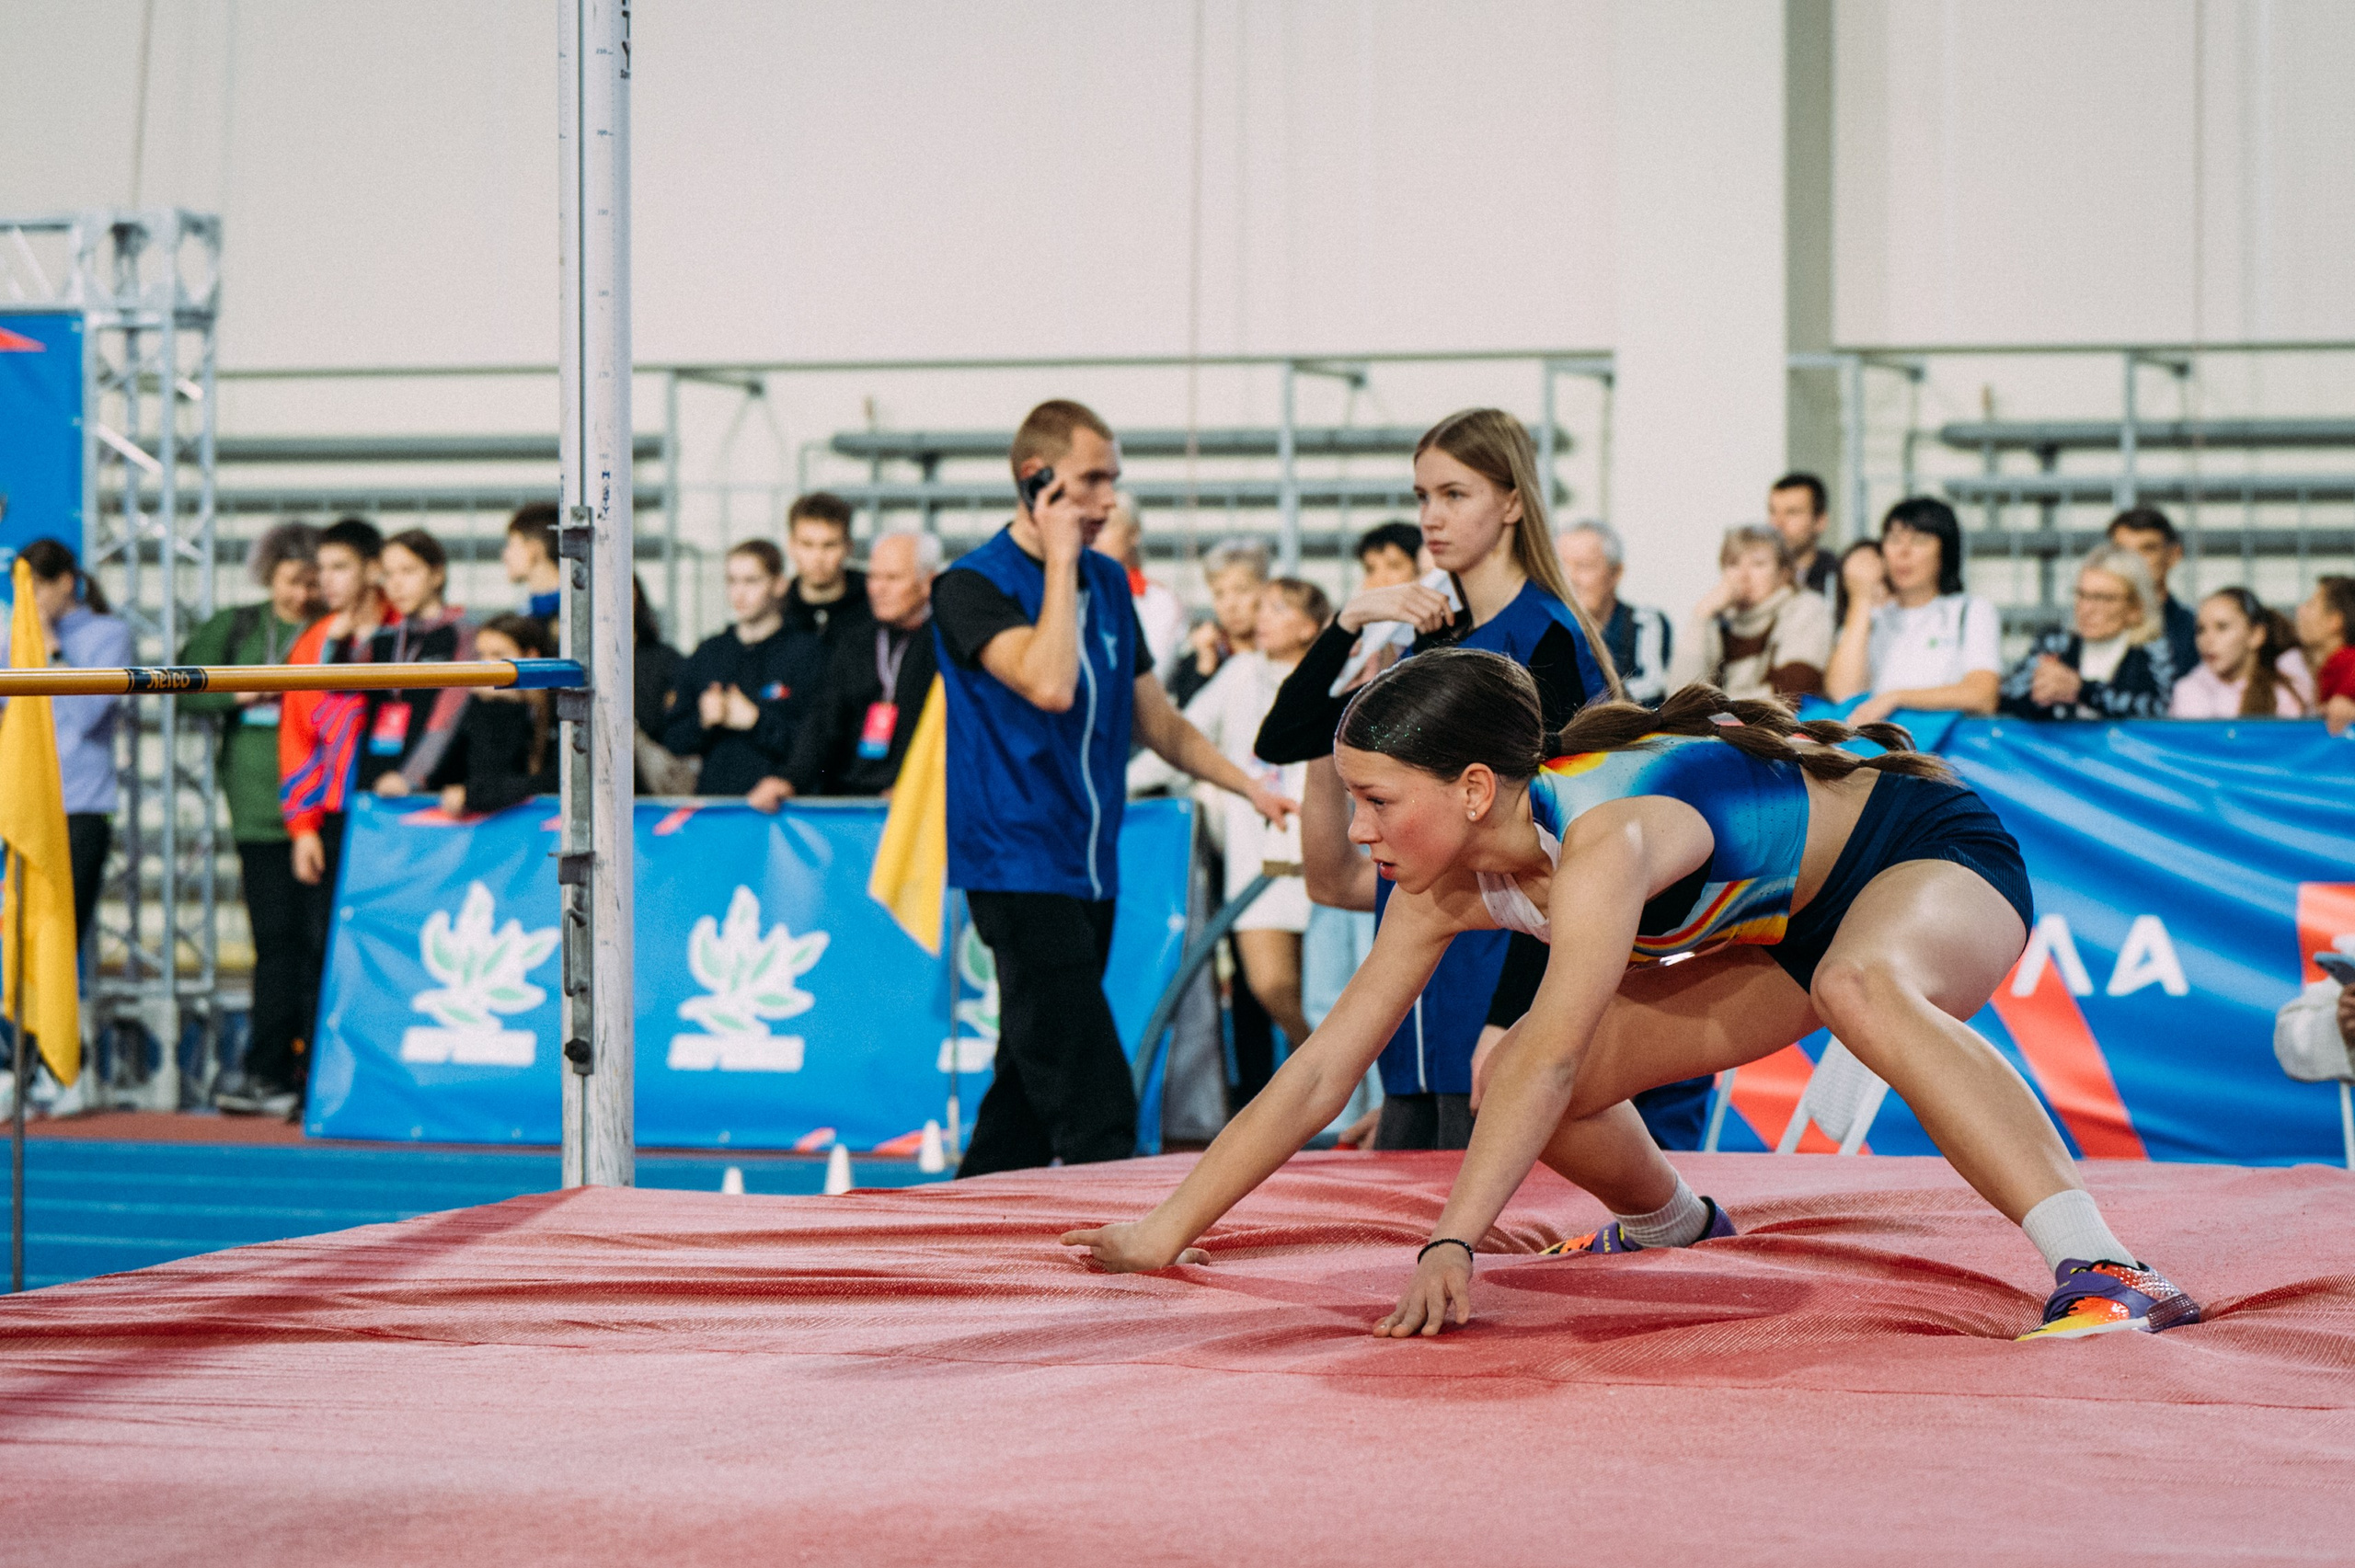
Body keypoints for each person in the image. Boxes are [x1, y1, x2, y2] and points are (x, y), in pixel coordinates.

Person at [1063, 649, 2204, 1345]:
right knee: (1499, 1070)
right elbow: (1320, 1069)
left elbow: (1561, 1046)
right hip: (1776, 926)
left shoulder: (1600, 837)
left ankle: (2109, 1267)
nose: (1357, 831)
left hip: (1919, 850)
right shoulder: (1441, 881)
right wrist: (1166, 1233)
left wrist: (1448, 1241)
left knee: (1860, 983)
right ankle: (1672, 1222)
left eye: (1372, 798)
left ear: (1472, 789)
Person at [1255, 409, 1718, 1156]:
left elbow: (1562, 846)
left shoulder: (1545, 637)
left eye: (1454, 494)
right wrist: (1347, 620)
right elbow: (1286, 737)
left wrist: (1512, 1023)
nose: (1431, 518)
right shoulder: (1430, 634)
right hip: (1416, 1028)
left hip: (1488, 1012)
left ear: (1511, 501)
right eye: (1421, 497)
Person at [931, 399, 1296, 1178]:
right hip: (1015, 864)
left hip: (1088, 862)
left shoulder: (1105, 581)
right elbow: (1050, 682)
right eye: (1090, 482)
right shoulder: (971, 585)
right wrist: (1060, 562)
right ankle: (1123, 1241)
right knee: (1092, 1095)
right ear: (1037, 483)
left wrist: (1248, 785)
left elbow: (1158, 723)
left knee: (1026, 1088)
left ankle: (973, 1213)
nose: (1107, 503)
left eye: (1113, 482)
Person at [1132, 578, 1333, 1098]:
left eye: (1278, 607)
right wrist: (1122, 786)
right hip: (1258, 863)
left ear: (1310, 626)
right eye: (1261, 607)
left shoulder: (1337, 679)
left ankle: (1337, 1096)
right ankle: (1330, 1081)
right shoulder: (1240, 674)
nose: (1262, 617)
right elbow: (1182, 735)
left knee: (1330, 994)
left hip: (1330, 863)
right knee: (1271, 986)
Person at [176, 522, 327, 1116]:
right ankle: (267, 1070)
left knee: (318, 943)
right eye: (292, 581)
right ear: (270, 576)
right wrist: (241, 693)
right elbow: (185, 688)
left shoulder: (329, 629)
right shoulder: (237, 625)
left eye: (312, 581)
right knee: (277, 944)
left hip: (319, 805)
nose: (302, 594)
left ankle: (311, 1066)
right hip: (260, 814)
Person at [13, 540, 132, 958]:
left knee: (59, 938)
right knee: (15, 937)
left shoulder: (108, 634)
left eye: (38, 588)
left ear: (66, 583)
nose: (31, 601)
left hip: (79, 805)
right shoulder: (13, 636)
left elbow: (85, 715)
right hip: (21, 806)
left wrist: (50, 647)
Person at [764, 528, 942, 803]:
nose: (878, 588)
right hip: (853, 800)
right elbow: (824, 722)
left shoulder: (950, 643)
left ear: (928, 582)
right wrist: (790, 779)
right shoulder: (855, 641)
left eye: (892, 578)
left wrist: (922, 789)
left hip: (920, 801)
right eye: (873, 576)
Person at [661, 541, 827, 797]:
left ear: (779, 584)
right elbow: (672, 740)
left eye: (751, 581)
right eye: (732, 581)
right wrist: (703, 721)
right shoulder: (710, 652)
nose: (739, 593)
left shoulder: (807, 652)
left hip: (783, 815)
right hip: (717, 810)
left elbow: (818, 743)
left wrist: (755, 720)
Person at [1825, 498, 2001, 725]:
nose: (1903, 552)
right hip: (1873, 752)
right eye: (1894, 539)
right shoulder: (1870, 617)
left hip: (1943, 751)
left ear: (1945, 551)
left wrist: (1896, 698)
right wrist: (1860, 599)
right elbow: (1842, 695)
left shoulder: (1970, 610)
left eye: (1920, 540)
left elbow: (1983, 695)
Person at [1997, 546, 2176, 722]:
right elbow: (2006, 699)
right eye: (2082, 594)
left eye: (2103, 598)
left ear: (2135, 608)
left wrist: (2082, 691)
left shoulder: (2154, 651)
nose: (2086, 608)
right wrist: (2037, 695)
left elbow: (2157, 711)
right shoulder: (2055, 643)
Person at [360, 529, 472, 797]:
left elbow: (447, 717)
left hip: (428, 791)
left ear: (436, 575)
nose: (396, 584)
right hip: (373, 786)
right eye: (388, 574)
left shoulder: (464, 634)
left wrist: (411, 777)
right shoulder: (382, 639)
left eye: (408, 571)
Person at [1680, 524, 1832, 701]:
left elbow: (1791, 693)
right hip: (1725, 723)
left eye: (1758, 564)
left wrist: (1711, 706)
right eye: (1733, 564)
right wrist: (1701, 615)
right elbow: (1681, 698)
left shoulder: (1806, 607)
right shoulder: (1719, 620)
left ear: (1784, 573)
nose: (1743, 576)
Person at [427, 616, 560, 816]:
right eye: (482, 655)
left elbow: (554, 781)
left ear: (531, 657)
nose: (487, 665)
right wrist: (498, 708)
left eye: (499, 656)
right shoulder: (482, 703)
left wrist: (474, 796)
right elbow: (445, 776)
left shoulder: (560, 708)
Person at [1557, 521, 1672, 705]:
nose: (1569, 578)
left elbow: (1652, 685)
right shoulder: (1551, 627)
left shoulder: (1645, 621)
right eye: (1560, 566)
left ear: (1616, 573)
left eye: (1584, 566)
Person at [2168, 589, 2310, 719]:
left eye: (2222, 627)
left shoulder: (2286, 693)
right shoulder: (2188, 691)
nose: (2207, 640)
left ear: (2256, 635)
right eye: (2201, 630)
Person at [1166, 538, 1269, 709]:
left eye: (1242, 590)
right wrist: (1205, 666)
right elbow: (1187, 722)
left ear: (1264, 589)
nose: (1230, 605)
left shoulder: (1284, 649)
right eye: (1219, 594)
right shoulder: (1198, 658)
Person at [1094, 492, 1188, 671]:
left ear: (1134, 532)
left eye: (1107, 525)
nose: (1097, 536)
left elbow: (1153, 675)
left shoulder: (1160, 601)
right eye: (1093, 525)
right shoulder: (1073, 591)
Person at [2107, 508, 2200, 684]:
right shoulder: (2088, 629)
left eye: (2146, 549)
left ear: (2174, 555)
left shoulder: (2195, 633)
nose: (2133, 561)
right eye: (2122, 552)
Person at [780, 492, 871, 649]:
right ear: (791, 546)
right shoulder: (777, 608)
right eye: (807, 544)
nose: (818, 557)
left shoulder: (875, 603)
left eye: (830, 545)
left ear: (849, 547)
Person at [2293, 575, 2355, 737]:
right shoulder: (2329, 667)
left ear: (2334, 621)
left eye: (2311, 604)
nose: (2300, 610)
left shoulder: (2349, 664)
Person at [1768, 472, 1839, 598]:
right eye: (1773, 512)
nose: (1777, 523)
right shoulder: (1754, 578)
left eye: (1792, 512)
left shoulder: (1838, 579)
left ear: (1820, 521)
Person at [501, 502, 563, 636]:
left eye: (511, 544)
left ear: (534, 549)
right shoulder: (528, 613)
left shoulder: (563, 616)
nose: (505, 556)